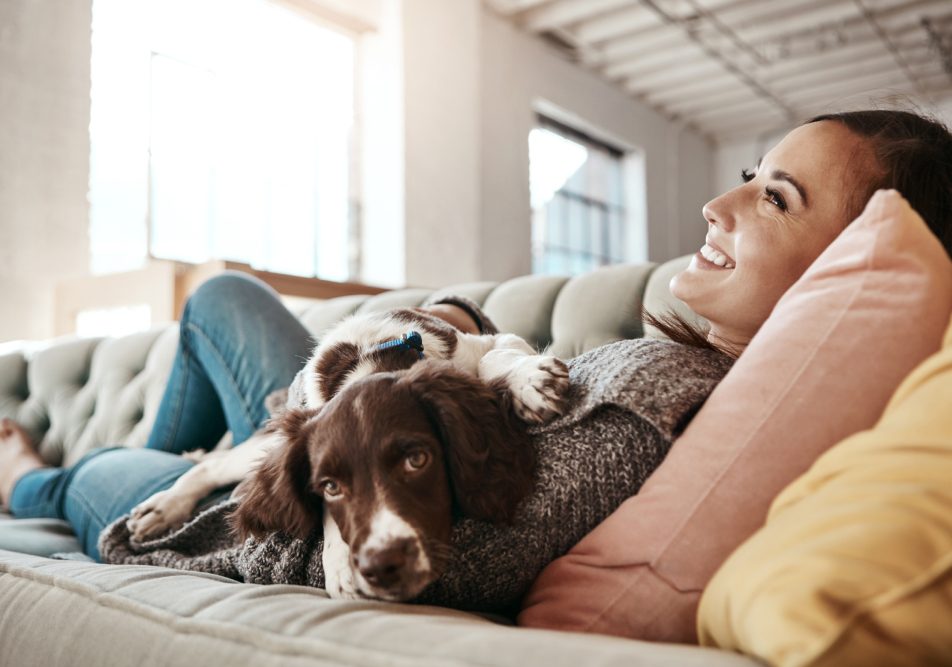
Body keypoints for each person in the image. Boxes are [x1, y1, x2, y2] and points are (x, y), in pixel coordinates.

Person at [1, 108, 951, 577]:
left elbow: (416, 543)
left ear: (851, 269)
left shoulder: (650, 414)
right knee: (220, 298)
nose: (717, 203)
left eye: (773, 198)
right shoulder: (684, 366)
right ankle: (194, 453)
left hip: (272, 496)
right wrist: (453, 326)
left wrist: (262, 487)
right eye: (752, 174)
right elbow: (478, 363)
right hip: (330, 418)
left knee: (103, 473)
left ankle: (26, 476)